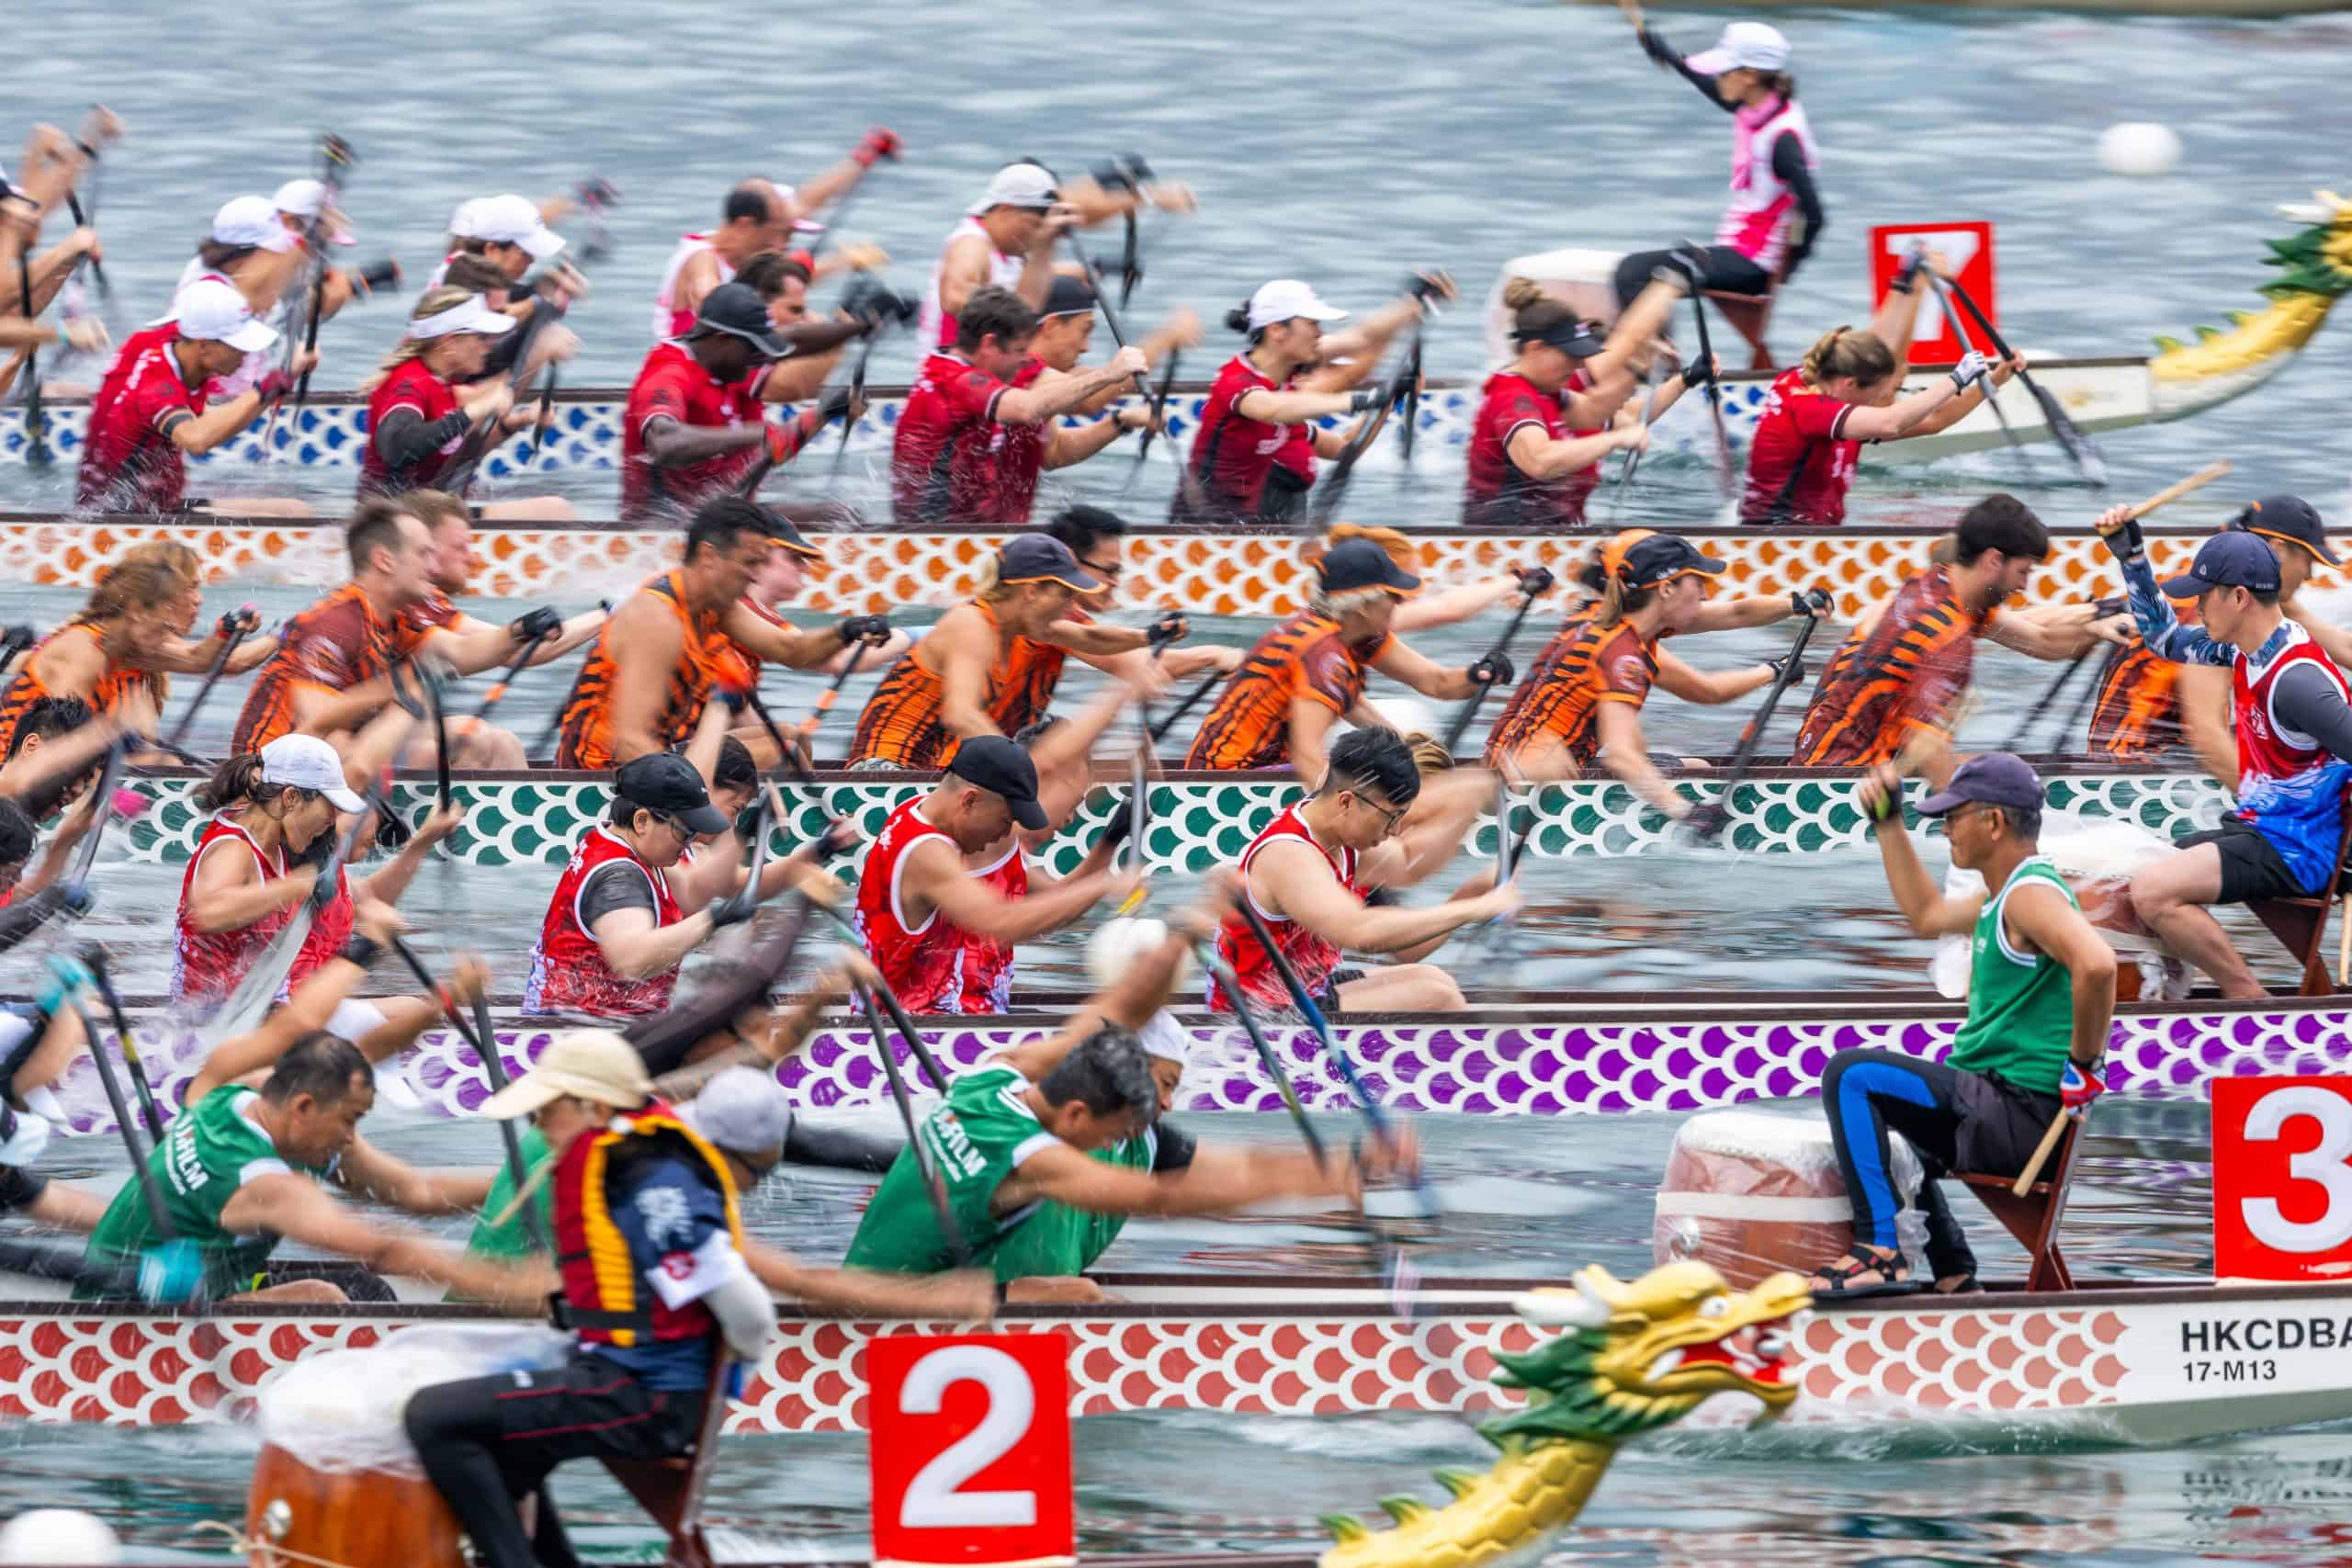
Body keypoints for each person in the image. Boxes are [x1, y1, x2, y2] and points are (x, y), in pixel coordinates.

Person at [408, 1025, 922, 1568]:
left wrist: (725, 1381)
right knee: (506, 1451)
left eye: (546, 1111)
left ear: (591, 1106)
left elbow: (747, 1307)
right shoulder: (618, 1157)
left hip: (644, 1398)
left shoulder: (650, 1182)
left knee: (432, 1418)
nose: (537, 1124)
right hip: (624, 1376)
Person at [842, 955, 1393, 1289]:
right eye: (1121, 1130)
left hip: (896, 1278)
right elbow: (1159, 1199)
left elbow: (1107, 1018)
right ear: (1079, 1112)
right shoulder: (1037, 1159)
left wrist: (1345, 1166)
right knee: (1072, 1297)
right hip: (885, 1315)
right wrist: (1315, 1182)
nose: (1161, 1114)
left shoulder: (992, 1076)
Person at [85, 913, 549, 1304]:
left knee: (367, 1294)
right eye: (349, 1120)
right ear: (305, 1107)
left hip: (201, 1289)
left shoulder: (246, 1090)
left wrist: (522, 1181)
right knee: (322, 1298)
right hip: (130, 1313)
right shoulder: (266, 1184)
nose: (351, 1135)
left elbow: (416, 1190)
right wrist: (515, 1290)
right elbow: (387, 1248)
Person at [1809, 754, 2113, 1295]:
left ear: (1994, 823)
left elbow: (2097, 963)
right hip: (2000, 1107)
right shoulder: (2005, 896)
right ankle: (1954, 1271)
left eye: (1954, 816)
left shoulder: (2029, 895)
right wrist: (1888, 823)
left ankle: (1880, 1250)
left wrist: (2085, 1066)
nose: (1946, 828)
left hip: (2016, 1113)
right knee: (1898, 1142)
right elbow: (1924, 915)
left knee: (1851, 1075)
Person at [2098, 518, 2352, 998]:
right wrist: (2131, 559)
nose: (2195, 606)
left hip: (2299, 848)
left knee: (2154, 891)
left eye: (2204, 594)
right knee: (2138, 870)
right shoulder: (2247, 650)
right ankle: (2163, 997)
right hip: (2264, 829)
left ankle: (2246, 1000)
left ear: (2239, 598)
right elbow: (2165, 641)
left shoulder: (2296, 681)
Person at [1790, 496, 2122, 780]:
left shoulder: (1934, 584)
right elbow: (1930, 756)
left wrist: (2096, 626)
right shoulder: (1948, 637)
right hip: (1843, 787)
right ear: (1994, 560)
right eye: (2023, 571)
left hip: (1816, 765)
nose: (2024, 586)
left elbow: (2044, 641)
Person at [555, 497, 891, 771]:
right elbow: (630, 743)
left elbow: (791, 650)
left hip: (659, 754)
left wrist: (847, 630)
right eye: (749, 563)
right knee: (781, 754)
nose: (756, 577)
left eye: (762, 564)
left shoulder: (715, 604)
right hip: (599, 772)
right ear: (709, 556)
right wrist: (697, 813)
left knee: (793, 738)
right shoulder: (657, 619)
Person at [1483, 535, 1798, 819]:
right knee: (1684, 781)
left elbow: (1735, 614)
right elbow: (1621, 754)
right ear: (1666, 588)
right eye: (1698, 583)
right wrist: (1685, 812)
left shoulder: (1611, 621)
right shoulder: (1621, 653)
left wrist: (1796, 605)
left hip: (1542, 762)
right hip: (1526, 779)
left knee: (1697, 770)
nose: (1704, 595)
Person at [1210, 727, 1520, 1014]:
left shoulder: (1336, 833)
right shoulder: (1290, 855)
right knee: (1436, 996)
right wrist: (1473, 909)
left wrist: (1479, 786)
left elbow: (1410, 862)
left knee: (1436, 979)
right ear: (1347, 801)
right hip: (1257, 1013)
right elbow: (1360, 932)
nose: (1396, 830)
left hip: (1303, 989)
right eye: (1391, 817)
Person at [231, 499, 564, 761]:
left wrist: (520, 630)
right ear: (385, 560)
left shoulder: (396, 616)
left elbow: (462, 652)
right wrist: (400, 688)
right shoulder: (337, 624)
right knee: (471, 739)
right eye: (423, 554)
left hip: (341, 751)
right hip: (267, 770)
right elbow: (319, 726)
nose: (433, 568)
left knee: (500, 740)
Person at [521, 751, 834, 1020]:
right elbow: (633, 959)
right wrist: (717, 918)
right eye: (684, 832)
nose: (690, 842)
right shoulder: (619, 877)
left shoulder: (625, 843)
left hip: (600, 1017)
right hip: (578, 1032)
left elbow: (696, 892)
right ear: (642, 820)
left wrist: (748, 835)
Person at [1184, 537, 1509, 782]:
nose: (1401, 603)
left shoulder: (1352, 632)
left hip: (1258, 770)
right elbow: (1308, 757)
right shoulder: (1322, 652)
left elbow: (1435, 683)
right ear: (1363, 605)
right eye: (1394, 597)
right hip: (1229, 781)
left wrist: (1478, 674)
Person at [854, 733, 1130, 1013]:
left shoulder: (921, 814)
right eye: (1005, 821)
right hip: (912, 1039)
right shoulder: (928, 854)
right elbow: (1002, 921)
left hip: (943, 1024)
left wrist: (1111, 840)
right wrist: (1102, 885)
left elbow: (1054, 902)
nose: (1006, 832)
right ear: (970, 800)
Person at [1739, 254, 2022, 525]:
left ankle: (1910, 278)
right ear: (1849, 384)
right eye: (1876, 394)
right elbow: (1891, 422)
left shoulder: (1829, 375)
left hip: (1813, 537)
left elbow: (1935, 420)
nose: (1881, 401)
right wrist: (1957, 380)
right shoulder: (1809, 408)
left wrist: (1994, 381)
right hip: (1777, 542)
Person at [851, 534, 1172, 769]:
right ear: (1031, 592)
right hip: (881, 773)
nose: (1070, 605)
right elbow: (961, 715)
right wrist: (1027, 770)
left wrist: (1150, 635)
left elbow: (1091, 637)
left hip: (925, 772)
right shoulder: (972, 623)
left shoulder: (1025, 625)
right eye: (1064, 594)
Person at [1175, 275, 1449, 525]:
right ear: (1277, 331)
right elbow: (1273, 409)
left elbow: (1362, 337)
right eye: (1312, 323)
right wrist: (1362, 400)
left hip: (1249, 532)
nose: (1319, 332)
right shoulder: (1235, 382)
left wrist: (1411, 303)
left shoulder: (1287, 377)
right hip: (1198, 532)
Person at [942, 275, 1201, 524]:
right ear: (1051, 326)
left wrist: (1121, 422)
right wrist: (1165, 340)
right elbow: (1091, 399)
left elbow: (1053, 454)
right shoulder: (1021, 372)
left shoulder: (1038, 376)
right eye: (1084, 330)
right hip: (961, 535)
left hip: (998, 529)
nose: (1086, 346)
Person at [890, 286, 1148, 523]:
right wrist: (1109, 373)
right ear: (989, 343)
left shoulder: (973, 374)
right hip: (937, 539)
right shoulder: (956, 380)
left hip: (972, 535)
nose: (1026, 360)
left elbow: (1054, 450)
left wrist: (1120, 421)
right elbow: (1028, 408)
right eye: (1019, 350)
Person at [1462, 276, 1702, 527]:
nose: (1578, 365)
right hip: (1502, 546)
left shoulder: (1548, 393)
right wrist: (1615, 440)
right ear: (1536, 348)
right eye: (1570, 355)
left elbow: (1606, 414)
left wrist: (1684, 379)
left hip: (1552, 537)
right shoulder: (1511, 397)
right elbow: (1539, 461)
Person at [1619, 20, 1824, 311]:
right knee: (1634, 271)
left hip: (1751, 264)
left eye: (1724, 71)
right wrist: (1669, 55)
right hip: (1739, 253)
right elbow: (1707, 84)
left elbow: (1816, 215)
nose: (1717, 77)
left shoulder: (1783, 140)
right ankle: (1657, 350)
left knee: (1631, 275)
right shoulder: (1760, 105)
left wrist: (1789, 268)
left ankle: (1657, 354)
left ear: (1750, 76)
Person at [74, 277, 317, 516]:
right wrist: (267, 387)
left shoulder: (177, 345)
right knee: (290, 516)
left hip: (157, 505)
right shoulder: (157, 383)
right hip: (119, 515)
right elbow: (197, 439)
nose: (245, 354)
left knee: (295, 509)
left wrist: (281, 380)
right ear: (204, 347)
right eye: (238, 346)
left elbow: (215, 431)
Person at [619, 281, 853, 521]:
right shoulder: (669, 373)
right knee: (832, 518)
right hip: (666, 529)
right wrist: (760, 434)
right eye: (753, 349)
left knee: (839, 514)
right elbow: (664, 442)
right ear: (723, 338)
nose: (760, 359)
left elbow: (793, 339)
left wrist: (859, 327)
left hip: (724, 516)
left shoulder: (724, 360)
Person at [172, 734, 368, 1010]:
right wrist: (294, 886)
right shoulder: (234, 850)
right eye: (329, 807)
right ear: (290, 797)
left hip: (257, 1011)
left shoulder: (275, 840)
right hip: (209, 1023)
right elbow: (205, 913)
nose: (333, 820)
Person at [0, 560, 269, 759]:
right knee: (161, 761)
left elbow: (197, 659)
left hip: (59, 765)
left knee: (167, 761)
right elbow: (59, 741)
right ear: (138, 612)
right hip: (13, 766)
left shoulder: (129, 646)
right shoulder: (81, 653)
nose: (168, 637)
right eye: (163, 626)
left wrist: (226, 630)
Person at [920, 158, 1191, 349]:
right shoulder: (972, 244)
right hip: (951, 384)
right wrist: (1147, 197)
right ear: (1006, 210)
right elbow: (955, 297)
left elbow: (1076, 211)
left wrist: (1096, 267)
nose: (1035, 233)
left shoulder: (1007, 242)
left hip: (986, 372)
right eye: (1033, 225)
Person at [356, 286, 571, 515]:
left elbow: (454, 462)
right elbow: (398, 449)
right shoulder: (409, 383)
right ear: (449, 343)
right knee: (555, 511)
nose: (489, 345)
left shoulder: (441, 383)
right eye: (481, 337)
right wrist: (474, 410)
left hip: (426, 512)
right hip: (391, 521)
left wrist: (517, 422)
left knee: (549, 506)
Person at [652, 138, 898, 335]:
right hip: (687, 379)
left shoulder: (751, 245)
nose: (781, 245)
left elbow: (810, 199)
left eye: (788, 235)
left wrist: (864, 158)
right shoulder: (701, 258)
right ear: (745, 225)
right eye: (777, 235)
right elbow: (711, 299)